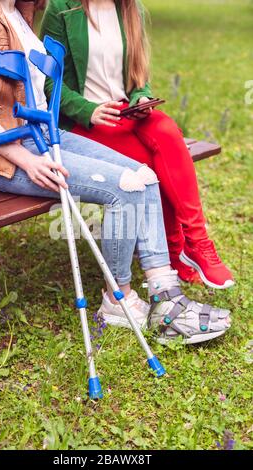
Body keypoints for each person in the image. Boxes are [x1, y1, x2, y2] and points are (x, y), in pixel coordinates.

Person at [0, 0, 231, 344]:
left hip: (50, 139)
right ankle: (119, 300)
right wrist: (27, 162)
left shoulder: (22, 11)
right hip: (10, 157)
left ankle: (166, 295)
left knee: (144, 175)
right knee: (125, 186)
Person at [40, 0, 234, 289]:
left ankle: (198, 242)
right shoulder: (61, 8)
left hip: (127, 113)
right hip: (87, 121)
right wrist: (86, 109)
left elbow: (138, 77)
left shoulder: (132, 9)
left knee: (167, 130)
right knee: (153, 165)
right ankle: (175, 251)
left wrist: (141, 97)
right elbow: (47, 80)